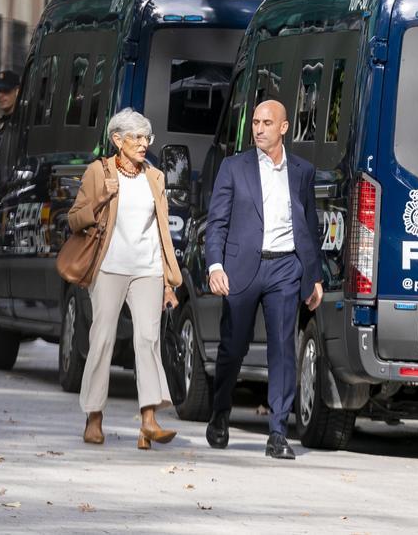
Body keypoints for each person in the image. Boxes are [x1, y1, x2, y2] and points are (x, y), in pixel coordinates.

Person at [204, 99, 324, 460]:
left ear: (283, 128)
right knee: (233, 347)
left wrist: (313, 276)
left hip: (285, 269)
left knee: (283, 350)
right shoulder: (233, 167)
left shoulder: (302, 171)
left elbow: (309, 226)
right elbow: (217, 222)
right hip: (242, 268)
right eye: (255, 122)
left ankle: (277, 433)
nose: (258, 128)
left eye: (267, 123)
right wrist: (215, 266)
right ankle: (220, 413)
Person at [68, 108, 183, 450]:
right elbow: (74, 220)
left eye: (147, 137)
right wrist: (102, 197)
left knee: (148, 339)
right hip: (109, 267)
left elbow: (162, 232)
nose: (143, 144)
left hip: (147, 268)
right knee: (102, 339)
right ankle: (94, 417)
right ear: (117, 140)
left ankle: (148, 420)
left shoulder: (155, 177)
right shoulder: (97, 172)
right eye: (135, 137)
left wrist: (167, 282)